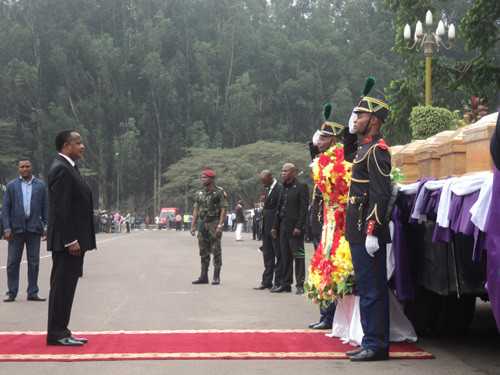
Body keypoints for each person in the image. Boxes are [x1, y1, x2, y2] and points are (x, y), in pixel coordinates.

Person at [344, 85, 392, 361]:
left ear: (373, 120)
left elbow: (380, 193)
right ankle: (369, 339)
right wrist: (350, 132)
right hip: (357, 229)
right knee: (366, 287)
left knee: (373, 289)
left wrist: (373, 229)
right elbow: (348, 154)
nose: (355, 119)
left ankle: (377, 345)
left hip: (368, 231)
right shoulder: (363, 149)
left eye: (360, 115)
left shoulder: (377, 151)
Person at [46, 130, 96, 346]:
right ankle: (57, 333)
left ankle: (62, 330)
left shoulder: (70, 168)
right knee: (62, 287)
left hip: (74, 240)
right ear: (66, 146)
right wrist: (70, 240)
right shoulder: (62, 170)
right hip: (68, 242)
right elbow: (61, 209)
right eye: (78, 143)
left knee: (67, 286)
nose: (82, 146)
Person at [306, 105, 347, 329]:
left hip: (333, 224)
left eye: (322, 137)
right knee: (322, 268)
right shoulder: (322, 160)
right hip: (321, 224)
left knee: (331, 269)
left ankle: (330, 316)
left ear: (332, 139)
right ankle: (326, 315)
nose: (317, 141)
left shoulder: (337, 160)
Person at [2, 159, 48, 302]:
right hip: (16, 230)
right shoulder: (11, 186)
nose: (25, 168)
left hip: (34, 229)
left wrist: (46, 226)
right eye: (22, 166)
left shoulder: (40, 186)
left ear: (31, 167)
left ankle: (32, 292)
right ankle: (12, 292)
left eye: (27, 166)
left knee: (34, 262)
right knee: (12, 263)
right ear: (18, 169)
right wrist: (7, 228)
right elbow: (6, 209)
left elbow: (45, 207)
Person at [271, 163, 309, 294]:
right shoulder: (282, 188)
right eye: (282, 171)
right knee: (285, 257)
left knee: (298, 256)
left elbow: (304, 209)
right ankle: (285, 284)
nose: (283, 173)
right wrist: (275, 227)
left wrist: (299, 226)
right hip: (283, 228)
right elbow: (278, 209)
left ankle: (300, 284)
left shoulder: (301, 187)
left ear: (294, 172)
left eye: (286, 171)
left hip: (295, 229)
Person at [190, 168, 228, 285]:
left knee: (216, 250)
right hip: (202, 224)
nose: (202, 179)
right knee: (203, 251)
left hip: (214, 223)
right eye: (202, 177)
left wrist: (220, 225)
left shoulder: (219, 192)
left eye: (205, 177)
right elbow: (196, 209)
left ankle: (216, 277)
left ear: (211, 179)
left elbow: (223, 209)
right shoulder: (199, 193)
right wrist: (193, 225)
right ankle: (203, 276)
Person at [254, 170, 282, 291]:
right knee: (267, 255)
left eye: (264, 181)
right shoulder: (267, 188)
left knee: (278, 255)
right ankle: (266, 281)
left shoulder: (279, 188)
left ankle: (278, 282)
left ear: (270, 177)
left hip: (275, 228)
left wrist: (275, 227)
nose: (262, 183)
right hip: (266, 227)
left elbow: (279, 209)